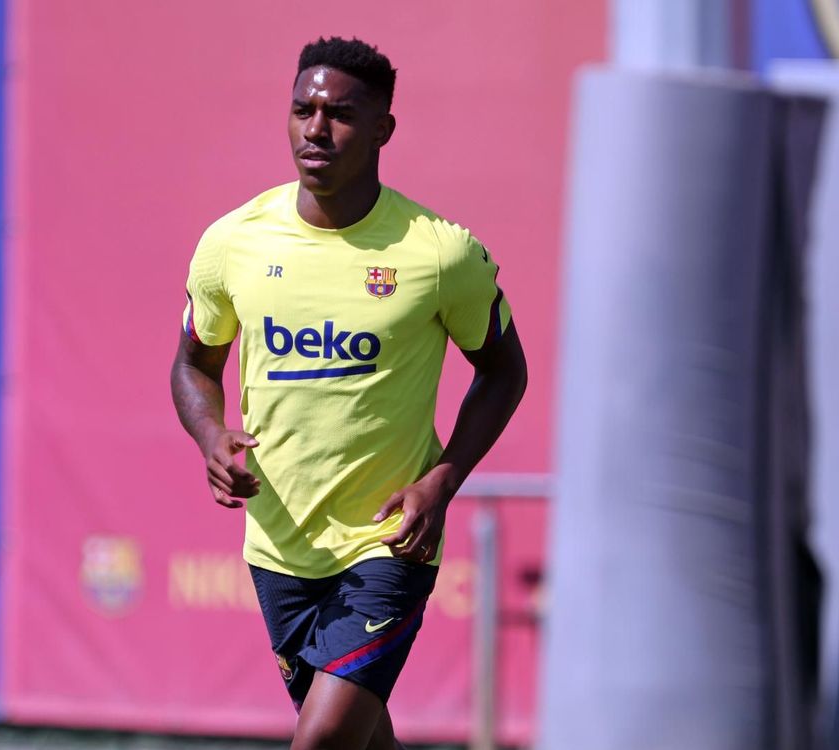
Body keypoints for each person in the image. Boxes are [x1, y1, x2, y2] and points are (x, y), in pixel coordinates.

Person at [170, 36, 527, 750]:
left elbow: (503, 371)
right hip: (279, 545)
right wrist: (211, 435)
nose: (316, 129)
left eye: (339, 114)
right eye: (303, 110)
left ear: (382, 129)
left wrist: (442, 480)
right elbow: (192, 365)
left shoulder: (439, 252)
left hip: (387, 543)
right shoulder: (233, 242)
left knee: (323, 740)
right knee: (361, 741)